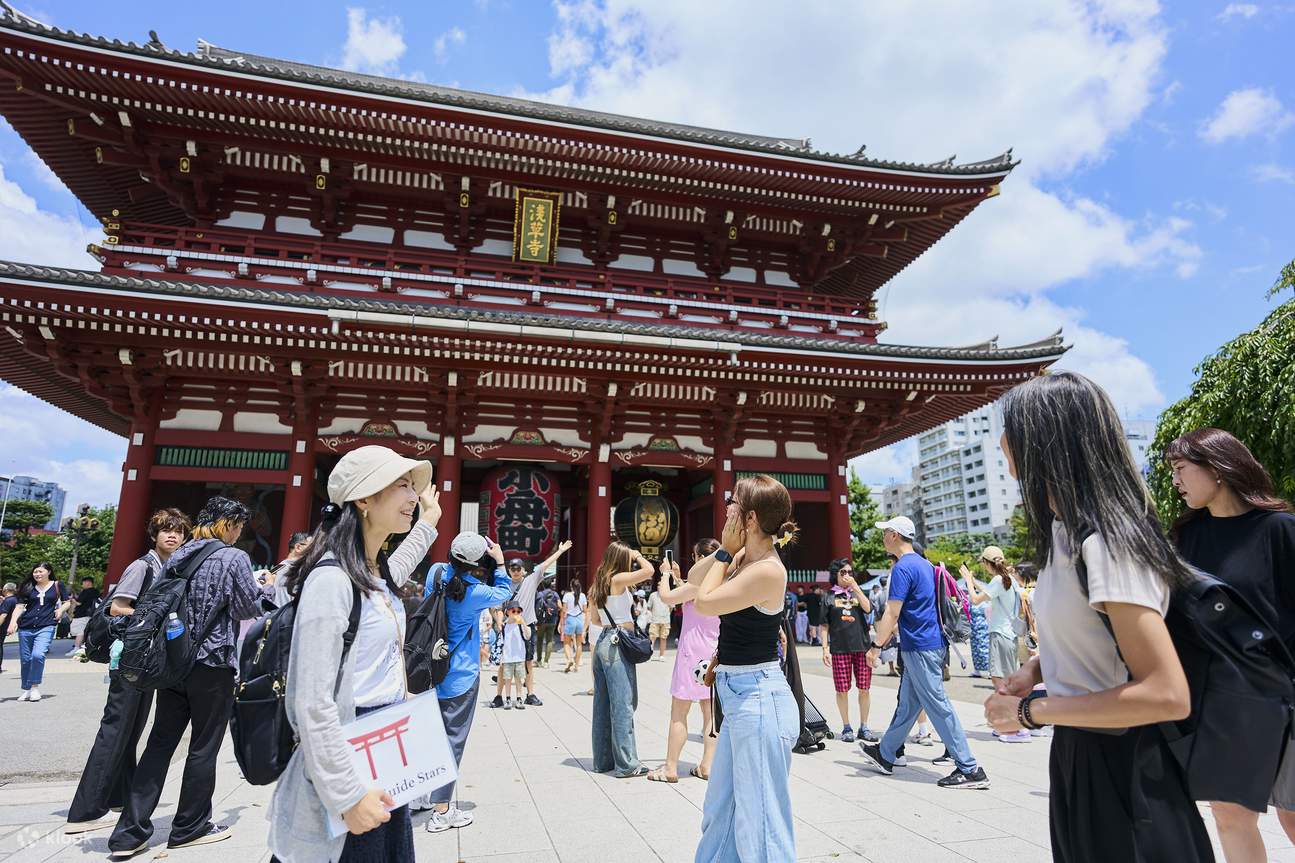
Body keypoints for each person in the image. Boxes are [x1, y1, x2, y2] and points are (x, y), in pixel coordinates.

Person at [981, 371, 1212, 862]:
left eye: (1014, 427)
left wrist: (1030, 711)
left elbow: (1166, 694)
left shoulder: (1106, 542)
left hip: (1125, 765)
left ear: (1049, 440)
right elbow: (1099, 635)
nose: (1002, 440)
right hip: (1082, 750)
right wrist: (1038, 668)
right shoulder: (1062, 533)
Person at [266, 445, 440, 863]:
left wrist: (429, 522)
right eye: (402, 485)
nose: (413, 496)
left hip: (384, 748)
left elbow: (399, 565)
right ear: (363, 499)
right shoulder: (331, 580)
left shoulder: (373, 572)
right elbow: (312, 701)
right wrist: (346, 795)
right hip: (349, 751)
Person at [108, 498, 276, 860]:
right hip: (212, 662)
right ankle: (190, 826)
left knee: (160, 743)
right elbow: (247, 608)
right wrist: (265, 586)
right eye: (238, 526)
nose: (239, 533)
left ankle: (129, 833)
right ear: (227, 524)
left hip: (173, 659)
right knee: (204, 745)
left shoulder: (181, 553)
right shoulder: (233, 557)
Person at [1168, 427, 1295, 863]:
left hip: (1284, 692)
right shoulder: (1186, 537)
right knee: (1228, 814)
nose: (1175, 481)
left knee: (1292, 816)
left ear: (1217, 468)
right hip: (1221, 698)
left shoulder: (1280, 529)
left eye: (1181, 468)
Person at [692, 476, 801, 861]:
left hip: (759, 698)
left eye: (732, 502)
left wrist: (725, 553)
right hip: (739, 696)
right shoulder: (742, 559)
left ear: (750, 517)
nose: (726, 508)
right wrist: (726, 551)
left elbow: (704, 603)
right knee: (721, 812)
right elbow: (693, 580)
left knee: (762, 826)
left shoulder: (768, 569)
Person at [65, 508, 190, 835]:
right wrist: (153, 617)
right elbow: (118, 607)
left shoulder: (168, 568)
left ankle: (119, 796)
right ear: (154, 535)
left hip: (144, 659)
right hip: (128, 658)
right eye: (166, 530)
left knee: (132, 728)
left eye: (178, 531)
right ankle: (86, 809)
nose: (172, 535)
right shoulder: (142, 566)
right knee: (115, 727)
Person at [860, 516, 987, 789]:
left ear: (895, 535)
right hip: (931, 643)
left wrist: (876, 647)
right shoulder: (924, 564)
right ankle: (886, 753)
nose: (883, 537)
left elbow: (892, 611)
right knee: (908, 704)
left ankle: (970, 768)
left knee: (938, 705)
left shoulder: (903, 568)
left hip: (920, 646)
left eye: (885, 532)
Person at [414, 531, 512, 832]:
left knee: (429, 735)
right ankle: (442, 810)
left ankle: (420, 795)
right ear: (477, 562)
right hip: (460, 675)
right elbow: (505, 592)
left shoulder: (435, 572)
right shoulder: (477, 593)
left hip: (429, 669)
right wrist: (500, 562)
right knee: (452, 740)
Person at [646, 538, 721, 784]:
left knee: (679, 712)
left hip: (691, 654)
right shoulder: (722, 584)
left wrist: (666, 574)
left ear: (702, 559)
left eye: (695, 557)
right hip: (714, 654)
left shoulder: (697, 585)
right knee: (710, 713)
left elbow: (667, 597)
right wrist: (679, 579)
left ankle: (670, 767)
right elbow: (687, 597)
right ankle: (707, 765)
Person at [589, 541, 654, 777]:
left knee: (603, 704)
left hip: (603, 642)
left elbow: (595, 620)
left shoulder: (598, 583)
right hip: (617, 644)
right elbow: (649, 570)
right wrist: (637, 555)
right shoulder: (617, 579)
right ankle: (627, 764)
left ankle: (603, 761)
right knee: (623, 704)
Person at [488, 543, 572, 708]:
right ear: (509, 570)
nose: (515, 571)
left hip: (526, 627)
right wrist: (499, 623)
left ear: (523, 570)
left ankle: (530, 694)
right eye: (513, 568)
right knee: (504, 663)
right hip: (508, 629)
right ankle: (498, 696)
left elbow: (545, 564)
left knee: (528, 662)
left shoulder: (531, 580)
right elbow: (497, 607)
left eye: (518, 568)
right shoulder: (504, 585)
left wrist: (560, 551)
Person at [961, 547, 1029, 743]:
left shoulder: (998, 580)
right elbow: (989, 592)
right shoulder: (1007, 579)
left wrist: (967, 581)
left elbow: (975, 600)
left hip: (1000, 635)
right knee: (1007, 682)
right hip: (1009, 636)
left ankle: (1014, 729)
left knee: (1001, 683)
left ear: (986, 563)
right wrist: (974, 581)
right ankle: (1015, 726)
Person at [821, 558, 876, 744]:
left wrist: (856, 587)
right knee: (842, 689)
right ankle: (846, 727)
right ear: (835, 575)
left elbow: (868, 609)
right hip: (840, 648)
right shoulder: (829, 596)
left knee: (864, 688)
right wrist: (824, 648)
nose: (847, 575)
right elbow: (824, 625)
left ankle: (864, 726)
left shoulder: (857, 592)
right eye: (843, 572)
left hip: (862, 647)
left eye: (850, 572)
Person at [8, 562, 71, 702]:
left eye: (40, 571)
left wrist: (60, 610)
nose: (37, 574)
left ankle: (35, 687)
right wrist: (12, 623)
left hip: (46, 626)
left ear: (49, 572)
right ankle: (27, 689)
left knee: (38, 655)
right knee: (26, 660)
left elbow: (67, 602)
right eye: (35, 571)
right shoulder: (28, 586)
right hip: (26, 627)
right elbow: (19, 607)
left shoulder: (57, 585)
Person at [499, 601, 530, 709]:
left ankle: (519, 698)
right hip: (508, 657)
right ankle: (507, 698)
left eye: (518, 611)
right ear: (508, 612)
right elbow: (502, 642)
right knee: (507, 679)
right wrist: (501, 657)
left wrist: (523, 623)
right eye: (513, 611)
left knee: (518, 679)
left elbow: (528, 636)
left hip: (519, 657)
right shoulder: (504, 626)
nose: (516, 613)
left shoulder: (520, 625)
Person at [67, 575, 101, 657]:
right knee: (85, 632)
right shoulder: (96, 592)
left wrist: (72, 599)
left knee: (80, 632)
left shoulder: (86, 591)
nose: (82, 585)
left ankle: (76, 648)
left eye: (83, 583)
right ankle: (82, 647)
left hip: (82, 614)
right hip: (91, 614)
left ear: (88, 583)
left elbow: (79, 603)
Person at [560, 577, 588, 673]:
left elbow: (564, 610)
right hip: (579, 619)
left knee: (567, 643)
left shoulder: (567, 595)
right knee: (579, 644)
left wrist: (561, 623)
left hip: (570, 619)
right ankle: (576, 666)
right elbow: (585, 610)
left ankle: (570, 660)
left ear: (571, 586)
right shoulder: (583, 596)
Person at [534, 575, 561, 668]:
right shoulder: (555, 594)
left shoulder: (540, 594)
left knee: (540, 640)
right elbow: (560, 606)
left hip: (541, 620)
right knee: (549, 640)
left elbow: (536, 607)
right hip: (552, 620)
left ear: (543, 585)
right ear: (550, 585)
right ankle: (546, 662)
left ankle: (539, 660)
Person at [647, 578, 672, 660]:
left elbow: (671, 607)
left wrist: (666, 614)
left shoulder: (669, 595)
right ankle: (649, 654)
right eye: (658, 585)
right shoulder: (653, 595)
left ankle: (661, 655)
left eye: (660, 585)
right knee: (652, 637)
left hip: (665, 620)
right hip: (654, 619)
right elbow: (649, 607)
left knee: (663, 638)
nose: (659, 586)